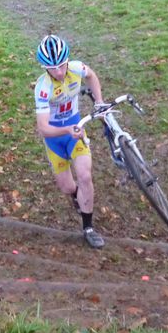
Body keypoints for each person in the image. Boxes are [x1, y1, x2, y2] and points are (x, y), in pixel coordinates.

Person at [33, 34, 108, 249]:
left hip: (76, 127)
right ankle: (77, 196)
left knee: (85, 175)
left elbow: (92, 76)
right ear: (44, 68)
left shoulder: (76, 68)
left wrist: (99, 102)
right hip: (56, 138)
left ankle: (88, 228)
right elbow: (43, 128)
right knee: (67, 187)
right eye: (52, 68)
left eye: (61, 65)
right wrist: (66, 129)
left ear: (68, 61)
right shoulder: (42, 88)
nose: (58, 72)